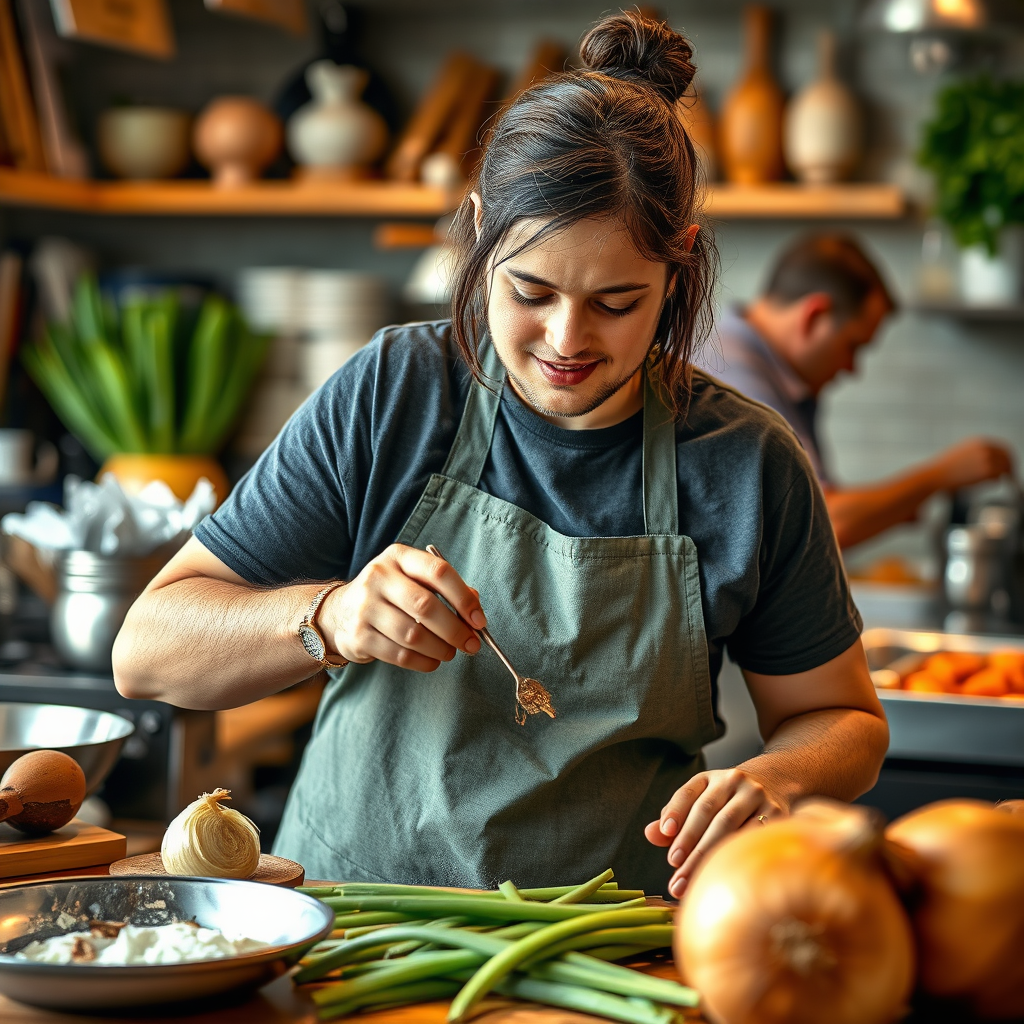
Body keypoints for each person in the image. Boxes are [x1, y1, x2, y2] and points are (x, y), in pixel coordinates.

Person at [112, 12, 887, 900]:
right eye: (531, 290)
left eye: (618, 301)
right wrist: (329, 617)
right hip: (354, 927)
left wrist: (778, 778)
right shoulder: (396, 392)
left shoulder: (747, 463)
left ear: (679, 271)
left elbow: (844, 719)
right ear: (480, 233)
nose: (567, 338)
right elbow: (147, 651)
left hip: (605, 951)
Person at [698, 234, 1014, 549]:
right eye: (853, 346)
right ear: (814, 316)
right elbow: (824, 523)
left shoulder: (771, 375)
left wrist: (895, 506)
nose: (852, 368)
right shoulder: (732, 372)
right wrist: (941, 476)